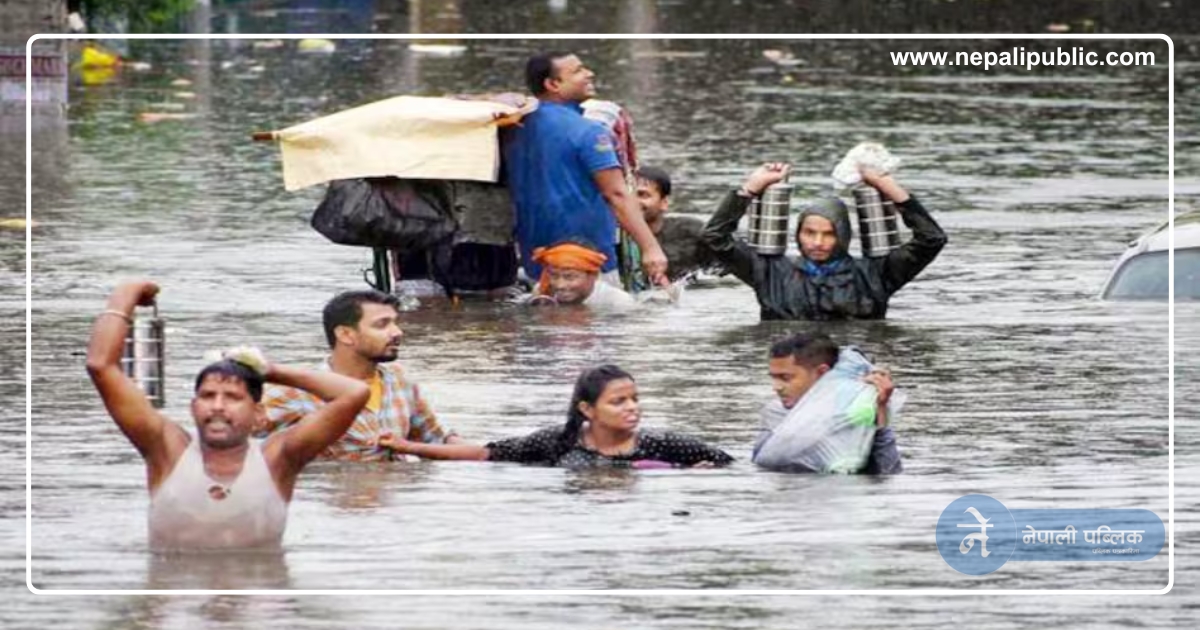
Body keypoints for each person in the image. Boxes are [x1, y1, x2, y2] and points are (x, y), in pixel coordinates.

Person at [85, 280, 369, 550]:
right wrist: (125, 293)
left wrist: (269, 370)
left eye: (233, 398)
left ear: (259, 414)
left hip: (259, 597)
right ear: (193, 407)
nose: (218, 406)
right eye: (208, 396)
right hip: (177, 596)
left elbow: (354, 393)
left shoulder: (279, 458)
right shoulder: (165, 449)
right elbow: (101, 366)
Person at [502, 51, 668, 287]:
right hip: (588, 260)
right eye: (578, 70)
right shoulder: (589, 132)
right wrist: (650, 248)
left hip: (537, 260)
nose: (589, 73)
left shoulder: (513, 127)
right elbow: (617, 194)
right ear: (553, 84)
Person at [702, 163, 947, 320]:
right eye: (809, 233)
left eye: (829, 234)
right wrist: (750, 188)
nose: (817, 242)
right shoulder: (769, 271)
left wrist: (889, 188)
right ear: (797, 234)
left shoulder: (876, 273)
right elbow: (714, 237)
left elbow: (931, 239)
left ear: (843, 236)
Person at [378, 365, 734, 469]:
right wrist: (406, 445)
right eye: (619, 401)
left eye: (635, 399)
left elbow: (730, 466)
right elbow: (483, 454)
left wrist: (693, 478)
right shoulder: (555, 442)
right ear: (587, 410)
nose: (632, 408)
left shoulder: (663, 444)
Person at [257, 290, 465, 462]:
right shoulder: (297, 391)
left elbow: (435, 442)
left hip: (394, 504)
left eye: (395, 323)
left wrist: (491, 453)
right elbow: (240, 449)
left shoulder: (400, 381)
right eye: (382, 325)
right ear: (346, 334)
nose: (397, 332)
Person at [753, 332, 902, 474]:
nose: (776, 387)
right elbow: (759, 465)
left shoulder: (849, 415)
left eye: (785, 378)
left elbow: (887, 475)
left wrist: (881, 410)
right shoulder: (777, 413)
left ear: (822, 372)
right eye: (774, 378)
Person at [621, 166, 723, 292]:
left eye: (642, 195)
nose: (633, 202)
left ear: (664, 203)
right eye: (627, 195)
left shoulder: (692, 233)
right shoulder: (615, 240)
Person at [527, 240, 637, 309]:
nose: (560, 285)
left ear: (594, 275)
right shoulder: (542, 293)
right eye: (554, 276)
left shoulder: (618, 303)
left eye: (569, 277)